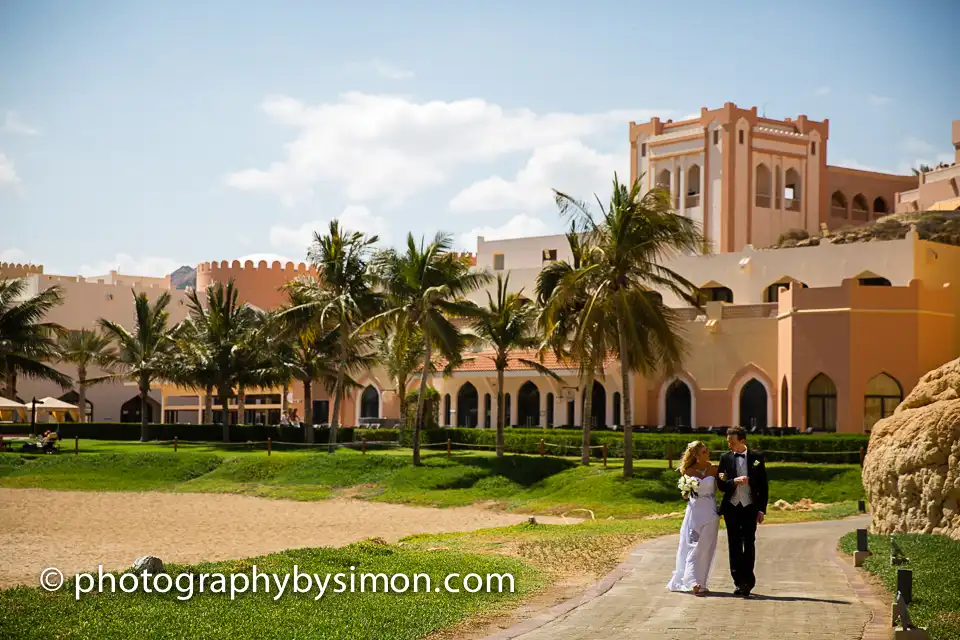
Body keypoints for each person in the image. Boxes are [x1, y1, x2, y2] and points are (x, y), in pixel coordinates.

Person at [716, 425, 769, 597]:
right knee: (734, 545)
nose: (729, 445)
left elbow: (763, 485)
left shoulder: (756, 458)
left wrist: (761, 509)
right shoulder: (725, 458)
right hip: (732, 507)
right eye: (728, 442)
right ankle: (738, 582)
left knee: (749, 544)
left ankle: (748, 581)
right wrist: (734, 481)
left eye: (732, 442)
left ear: (742, 441)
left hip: (750, 507)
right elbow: (722, 485)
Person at [666, 440, 720, 596]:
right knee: (693, 546)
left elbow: (722, 487)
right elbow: (685, 495)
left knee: (706, 546)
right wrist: (686, 490)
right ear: (696, 455)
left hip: (710, 511)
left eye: (707, 450)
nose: (707, 453)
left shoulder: (714, 469)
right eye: (704, 451)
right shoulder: (688, 471)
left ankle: (702, 582)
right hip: (695, 512)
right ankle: (692, 581)